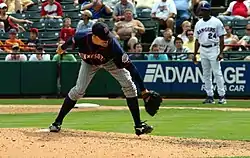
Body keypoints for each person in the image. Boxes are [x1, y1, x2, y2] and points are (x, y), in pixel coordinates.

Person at [49, 22, 160, 136]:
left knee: (130, 86)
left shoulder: (114, 46)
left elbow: (132, 68)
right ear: (94, 36)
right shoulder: (81, 37)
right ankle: (57, 122)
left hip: (110, 62)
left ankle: (138, 126)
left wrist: (143, 90)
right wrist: (62, 48)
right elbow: (70, 41)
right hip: (89, 63)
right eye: (103, 39)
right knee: (79, 90)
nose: (106, 41)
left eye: (107, 38)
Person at [193, 1, 226, 104]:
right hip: (203, 49)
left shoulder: (216, 22)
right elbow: (197, 40)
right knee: (206, 74)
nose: (204, 12)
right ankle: (210, 95)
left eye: (205, 10)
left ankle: (222, 95)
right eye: (202, 10)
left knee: (217, 72)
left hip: (213, 48)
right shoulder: (198, 23)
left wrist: (220, 52)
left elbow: (221, 38)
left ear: (209, 11)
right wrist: (194, 54)